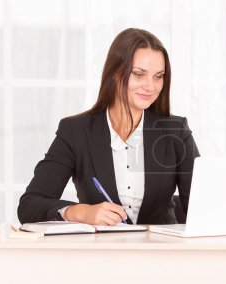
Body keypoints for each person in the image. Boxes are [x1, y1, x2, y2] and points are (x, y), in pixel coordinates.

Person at [17, 28, 200, 226]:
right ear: (115, 73)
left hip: (163, 253)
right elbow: (29, 206)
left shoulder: (176, 131)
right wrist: (80, 212)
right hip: (103, 253)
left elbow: (204, 207)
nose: (151, 86)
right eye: (139, 74)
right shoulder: (76, 132)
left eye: (159, 76)